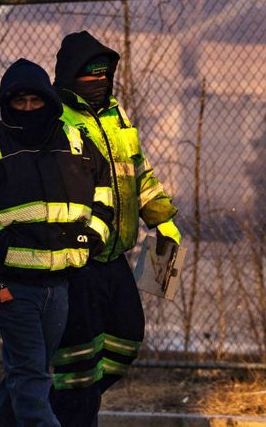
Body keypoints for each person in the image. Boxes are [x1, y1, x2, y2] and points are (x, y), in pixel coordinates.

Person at [0, 58, 114, 427]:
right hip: (10, 286)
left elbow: (105, 195)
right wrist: (1, 249)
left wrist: (93, 237)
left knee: (26, 370)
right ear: (7, 103)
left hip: (60, 284)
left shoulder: (77, 144)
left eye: (36, 102)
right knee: (33, 375)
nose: (29, 109)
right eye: (20, 102)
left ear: (49, 100)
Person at [48, 31, 180, 427]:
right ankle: (69, 413)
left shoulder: (117, 117)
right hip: (78, 259)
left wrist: (163, 220)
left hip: (115, 255)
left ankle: (61, 402)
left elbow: (140, 172)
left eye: (105, 75)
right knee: (77, 360)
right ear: (70, 77)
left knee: (127, 336)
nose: (99, 82)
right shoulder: (56, 121)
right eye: (90, 75)